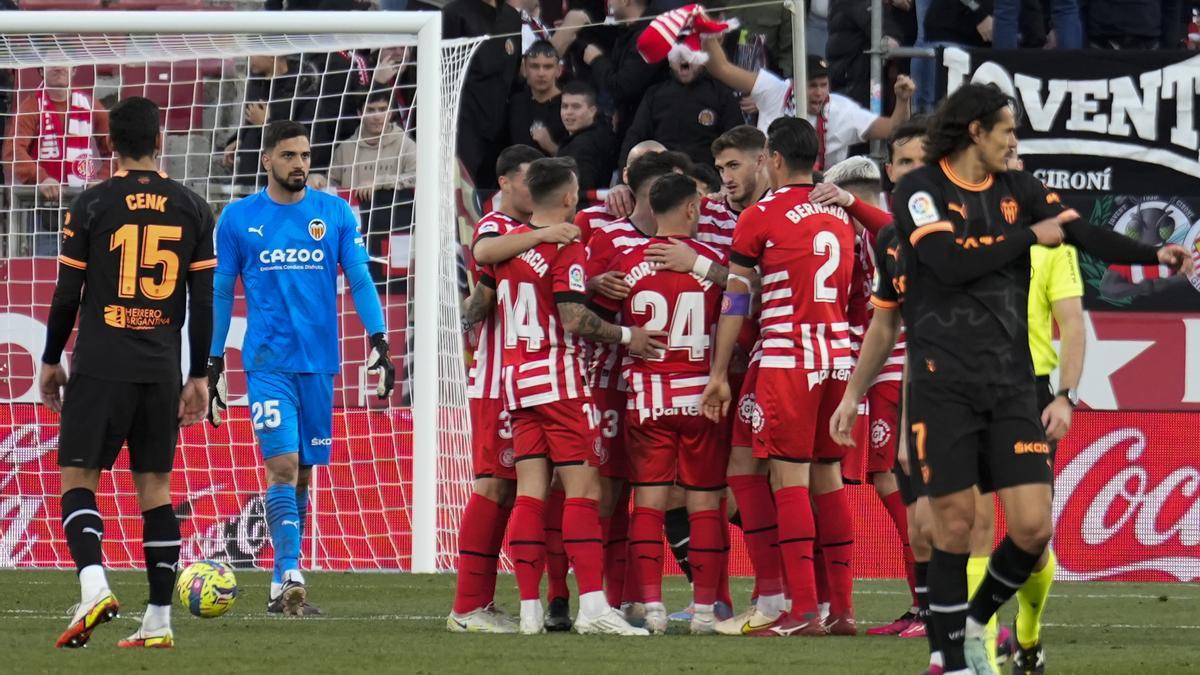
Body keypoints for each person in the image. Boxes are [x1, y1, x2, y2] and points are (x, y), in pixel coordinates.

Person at [889, 83, 1191, 674]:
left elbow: (1077, 230)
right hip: (943, 381)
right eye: (1007, 129)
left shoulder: (1019, 188)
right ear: (976, 130)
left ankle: (977, 620)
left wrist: (1154, 257)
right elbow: (949, 263)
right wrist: (1029, 235)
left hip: (1010, 382)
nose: (1014, 141)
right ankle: (951, 660)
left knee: (1031, 527)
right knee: (954, 526)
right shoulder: (920, 190)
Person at [39, 96, 213, 649]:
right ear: (160, 141)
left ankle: (95, 587)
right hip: (161, 368)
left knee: (77, 480)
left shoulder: (91, 204)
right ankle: (158, 621)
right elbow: (205, 303)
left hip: (101, 364)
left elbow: (69, 295)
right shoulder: (193, 206)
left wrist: (50, 358)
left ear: (108, 144)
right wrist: (199, 375)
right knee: (156, 490)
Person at [206, 120, 396, 616]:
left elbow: (359, 277)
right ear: (266, 160)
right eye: (289, 156)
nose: (300, 165)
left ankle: (278, 584)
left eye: (306, 156)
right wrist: (213, 358)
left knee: (305, 474)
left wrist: (379, 339)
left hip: (320, 366)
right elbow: (223, 291)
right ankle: (291, 570)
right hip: (267, 365)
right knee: (283, 467)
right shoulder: (237, 219)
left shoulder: (333, 213)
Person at [482, 156, 660, 635]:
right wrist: (628, 337)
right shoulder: (567, 246)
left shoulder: (507, 249)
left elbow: (482, 267)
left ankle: (528, 611)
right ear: (566, 198)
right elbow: (574, 319)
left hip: (516, 380)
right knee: (584, 491)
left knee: (531, 495)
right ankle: (595, 607)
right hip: (558, 377)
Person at [701, 116, 858, 637]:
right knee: (826, 477)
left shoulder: (761, 215)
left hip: (787, 360)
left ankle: (800, 609)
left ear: (771, 159)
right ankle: (840, 610)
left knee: (787, 480)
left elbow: (739, 297)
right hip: (837, 359)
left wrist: (719, 372)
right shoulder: (840, 217)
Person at [449, 144, 582, 632]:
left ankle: (536, 600)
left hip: (536, 380)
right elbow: (484, 255)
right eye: (528, 180)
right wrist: (544, 234)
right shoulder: (497, 226)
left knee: (532, 489)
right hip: (498, 380)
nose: (535, 189)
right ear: (505, 183)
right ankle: (468, 606)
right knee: (495, 484)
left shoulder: (538, 232)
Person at [590, 173, 728, 634]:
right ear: (691, 209)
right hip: (701, 396)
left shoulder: (627, 263)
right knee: (705, 502)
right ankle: (706, 612)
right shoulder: (709, 261)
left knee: (646, 505)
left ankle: (651, 609)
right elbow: (749, 297)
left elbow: (594, 316)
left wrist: (593, 286)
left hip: (647, 399)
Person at [701, 45, 914, 170]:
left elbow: (895, 129)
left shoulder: (841, 110)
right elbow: (720, 68)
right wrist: (707, 33)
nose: (820, 92)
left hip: (820, 195)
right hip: (767, 188)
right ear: (795, 84)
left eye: (824, 85)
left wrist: (903, 101)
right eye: (812, 86)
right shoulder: (774, 90)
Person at [2, 64, 112, 255]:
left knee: (90, 273)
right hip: (46, 210)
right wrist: (41, 177)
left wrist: (102, 178)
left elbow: (117, 148)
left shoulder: (91, 104)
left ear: (75, 70)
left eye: (64, 62)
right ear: (41, 71)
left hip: (86, 208)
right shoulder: (31, 106)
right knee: (47, 271)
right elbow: (12, 151)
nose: (59, 67)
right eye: (52, 62)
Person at [329, 91, 417, 284]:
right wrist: (319, 180)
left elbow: (418, 176)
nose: (377, 115)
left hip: (392, 235)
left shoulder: (406, 145)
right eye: (371, 110)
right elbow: (332, 184)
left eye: (382, 109)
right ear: (360, 113)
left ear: (392, 112)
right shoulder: (344, 149)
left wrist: (380, 182)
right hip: (352, 234)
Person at [443, 0, 523, 188]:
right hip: (463, 122)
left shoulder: (512, 16)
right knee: (462, 192)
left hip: (500, 124)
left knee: (495, 190)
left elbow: (515, 72)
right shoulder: (454, 14)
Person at [618, 55, 742, 168]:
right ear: (669, 60)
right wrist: (622, 182)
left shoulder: (721, 94)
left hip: (706, 179)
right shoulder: (655, 94)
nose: (683, 58)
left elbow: (736, 142)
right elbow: (635, 137)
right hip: (662, 177)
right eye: (678, 53)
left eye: (689, 52)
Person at [581, 0, 669, 143]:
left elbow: (623, 86)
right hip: (630, 123)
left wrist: (596, 60)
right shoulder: (627, 32)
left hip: (649, 131)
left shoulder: (650, 34)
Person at [556, 81, 618, 200]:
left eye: (576, 107)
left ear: (592, 111)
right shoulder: (597, 135)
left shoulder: (584, 145)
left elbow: (580, 190)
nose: (568, 112)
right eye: (564, 106)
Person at [508, 40, 570, 156]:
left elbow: (578, 161)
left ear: (558, 71)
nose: (541, 73)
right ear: (524, 69)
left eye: (548, 67)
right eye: (535, 66)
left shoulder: (569, 104)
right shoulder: (516, 102)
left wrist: (551, 146)